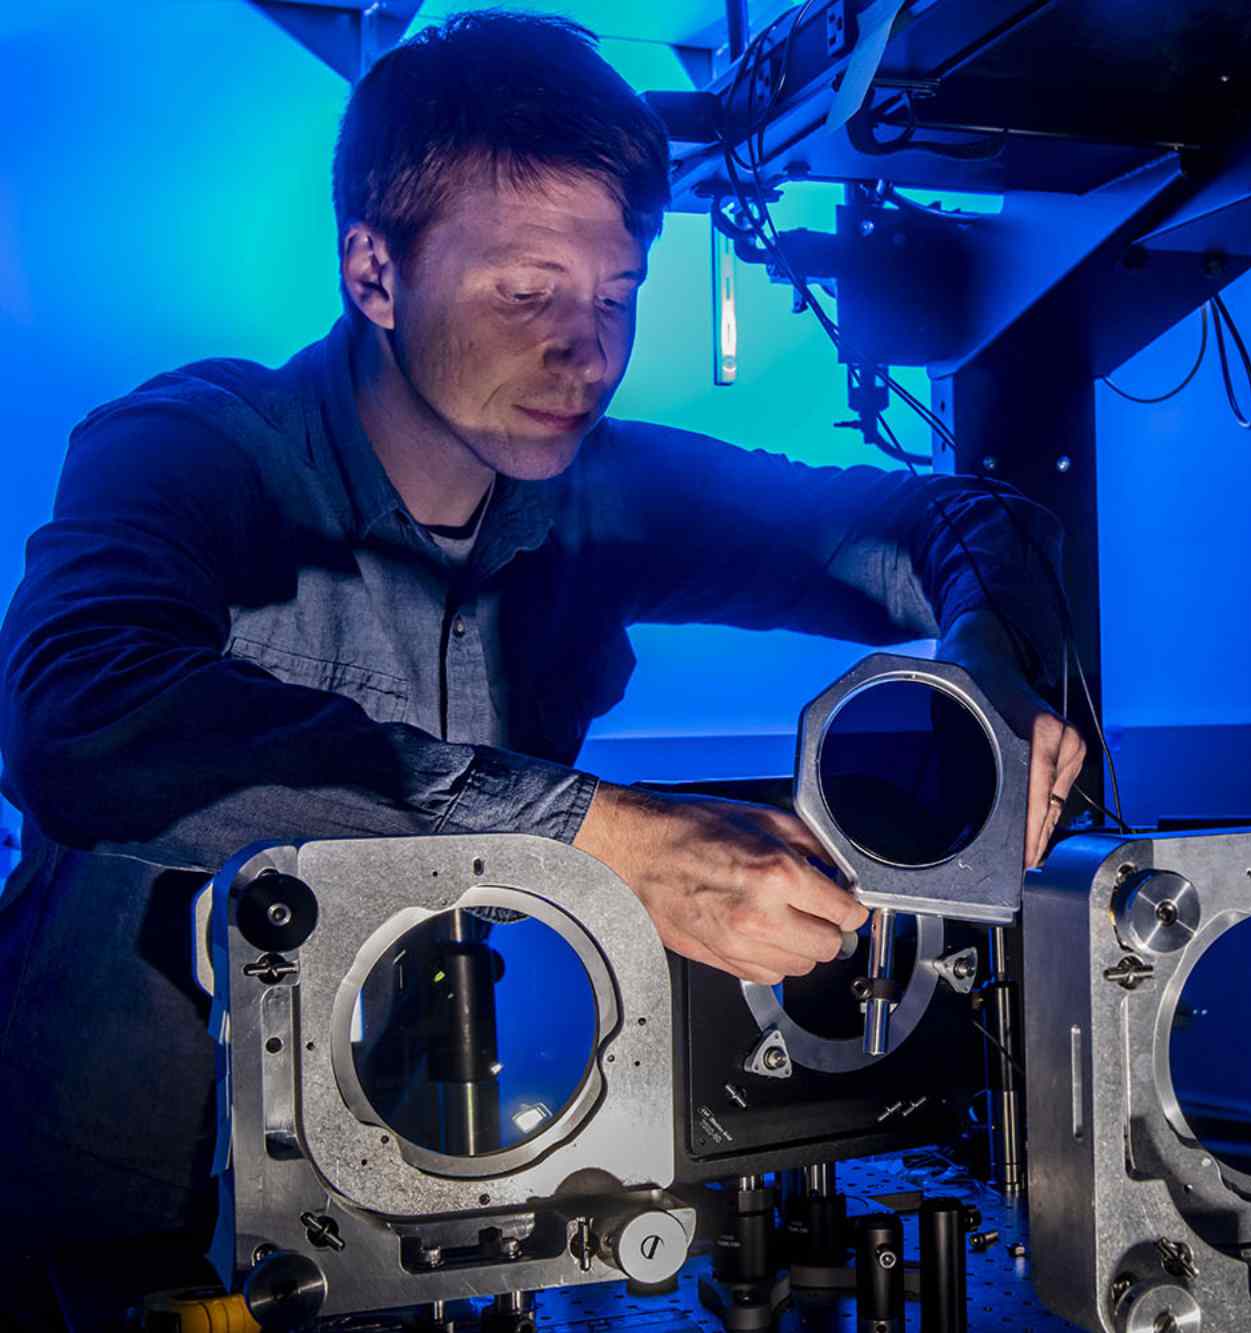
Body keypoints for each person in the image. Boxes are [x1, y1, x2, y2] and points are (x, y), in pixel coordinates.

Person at [0, 11, 1084, 1327]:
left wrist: (990, 665)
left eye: (616, 295)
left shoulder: (604, 490)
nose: (588, 352)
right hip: (91, 1229)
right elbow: (75, 720)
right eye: (525, 292)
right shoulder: (195, 450)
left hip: (393, 1220)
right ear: (374, 272)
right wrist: (597, 837)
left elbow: (967, 526)